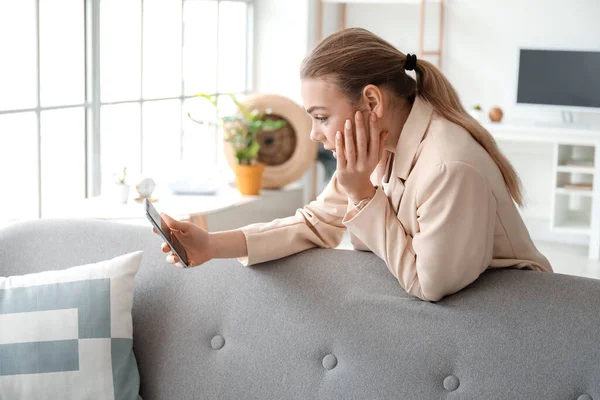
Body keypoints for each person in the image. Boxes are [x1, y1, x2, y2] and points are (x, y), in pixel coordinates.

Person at [155, 28, 552, 302]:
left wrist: (362, 194)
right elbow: (315, 223)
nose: (313, 134)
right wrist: (210, 245)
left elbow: (428, 283)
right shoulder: (376, 148)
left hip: (511, 314)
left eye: (321, 116)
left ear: (372, 103)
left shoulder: (448, 167)